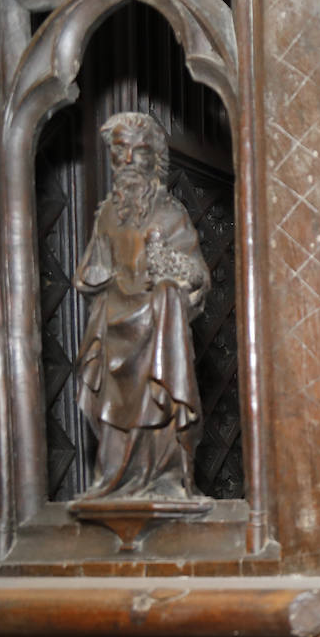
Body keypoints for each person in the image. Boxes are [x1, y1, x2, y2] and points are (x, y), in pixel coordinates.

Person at [74, 112, 210, 501]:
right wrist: (93, 276)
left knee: (158, 406)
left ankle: (164, 479)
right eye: (121, 151)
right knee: (113, 415)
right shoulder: (105, 215)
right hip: (112, 326)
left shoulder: (171, 214)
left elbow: (198, 273)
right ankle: (114, 480)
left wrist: (175, 280)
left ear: (156, 159)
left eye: (140, 151)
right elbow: (91, 267)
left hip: (155, 335)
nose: (130, 160)